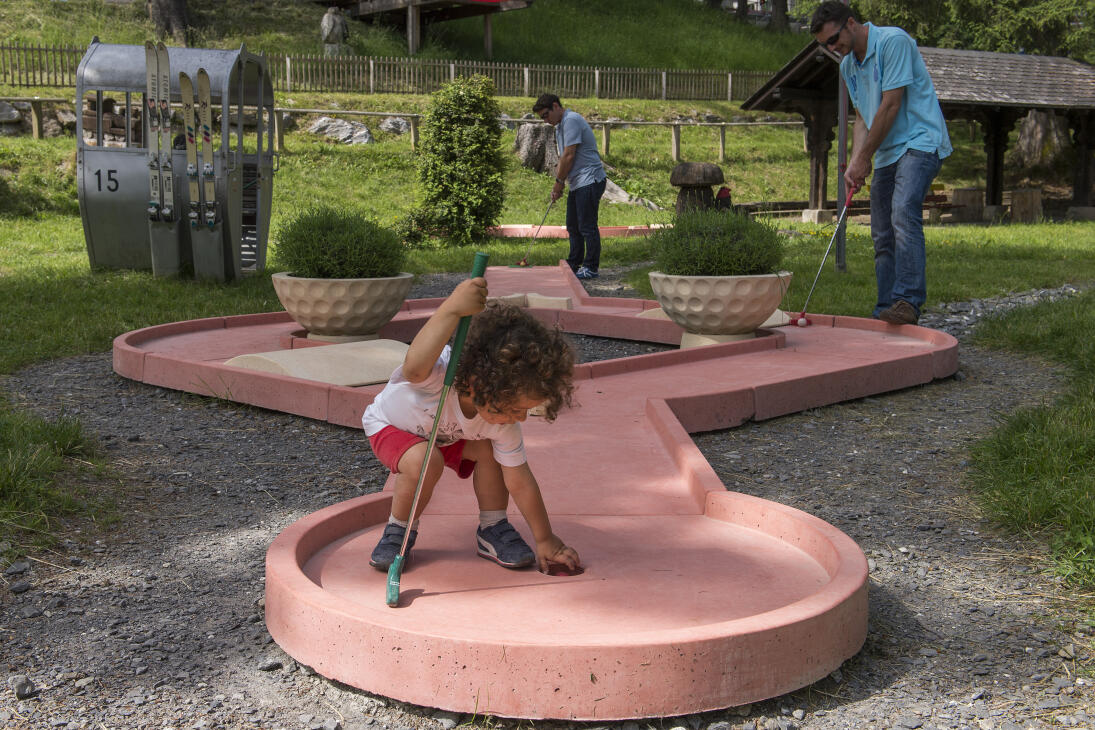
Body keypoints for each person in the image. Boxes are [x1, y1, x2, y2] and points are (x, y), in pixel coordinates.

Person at [362, 277, 582, 574]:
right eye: (516, 408)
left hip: (443, 436)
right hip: (392, 427)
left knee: (491, 451)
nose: (520, 418)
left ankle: (493, 528)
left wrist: (546, 539)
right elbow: (413, 366)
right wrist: (451, 309)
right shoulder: (439, 373)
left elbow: (520, 480)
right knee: (425, 460)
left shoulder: (501, 421)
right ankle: (399, 530)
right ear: (480, 385)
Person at [811, 1, 952, 325]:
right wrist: (855, 163)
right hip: (888, 151)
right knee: (881, 231)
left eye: (834, 39)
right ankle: (885, 308)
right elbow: (862, 116)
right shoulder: (848, 66)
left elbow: (890, 104)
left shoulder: (893, 42)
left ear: (850, 23)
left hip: (920, 140)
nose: (833, 48)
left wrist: (863, 158)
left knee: (902, 211)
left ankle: (908, 301)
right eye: (825, 45)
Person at [532, 93, 607, 280]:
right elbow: (564, 159)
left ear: (556, 106)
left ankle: (590, 267)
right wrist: (562, 183)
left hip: (590, 180)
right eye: (542, 117)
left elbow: (569, 155)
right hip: (578, 182)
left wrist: (558, 183)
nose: (545, 120)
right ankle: (574, 263)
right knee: (573, 226)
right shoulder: (559, 126)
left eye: (546, 115)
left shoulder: (571, 120)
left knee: (587, 226)